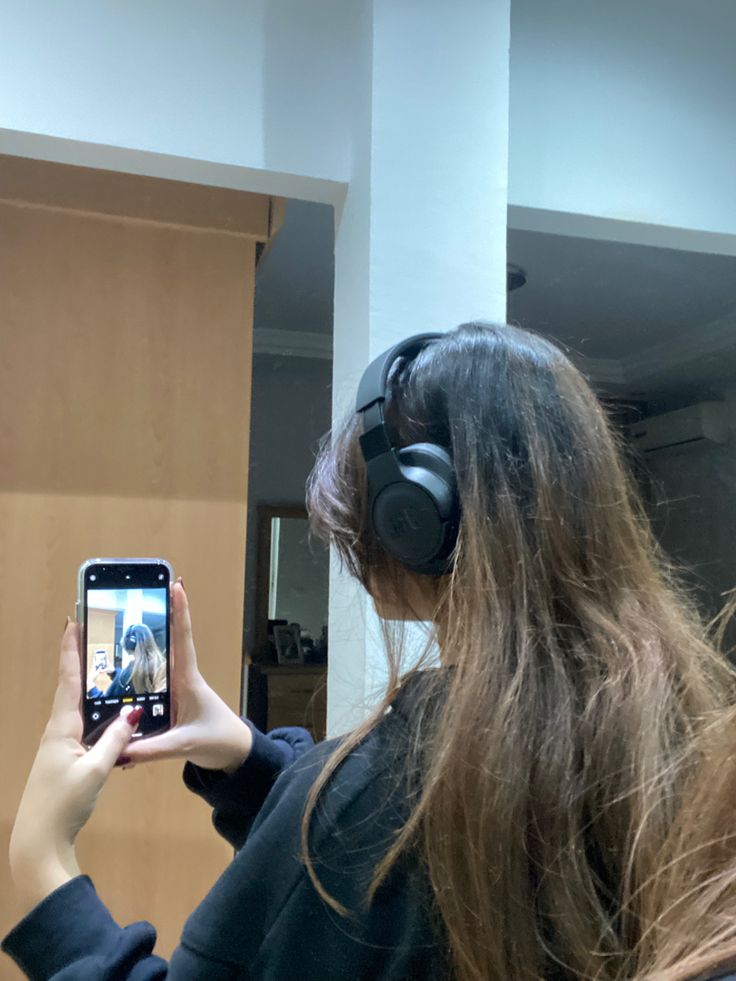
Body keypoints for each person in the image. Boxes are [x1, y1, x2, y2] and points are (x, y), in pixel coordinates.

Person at [4, 322, 736, 981]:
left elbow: (375, 838)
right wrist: (250, 759)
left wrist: (43, 865)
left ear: (413, 517)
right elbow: (452, 843)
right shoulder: (686, 746)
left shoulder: (357, 801)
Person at [87, 624, 167, 698]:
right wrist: (114, 673)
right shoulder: (162, 665)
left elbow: (105, 702)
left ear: (128, 645)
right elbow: (128, 682)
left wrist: (89, 685)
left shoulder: (127, 675)